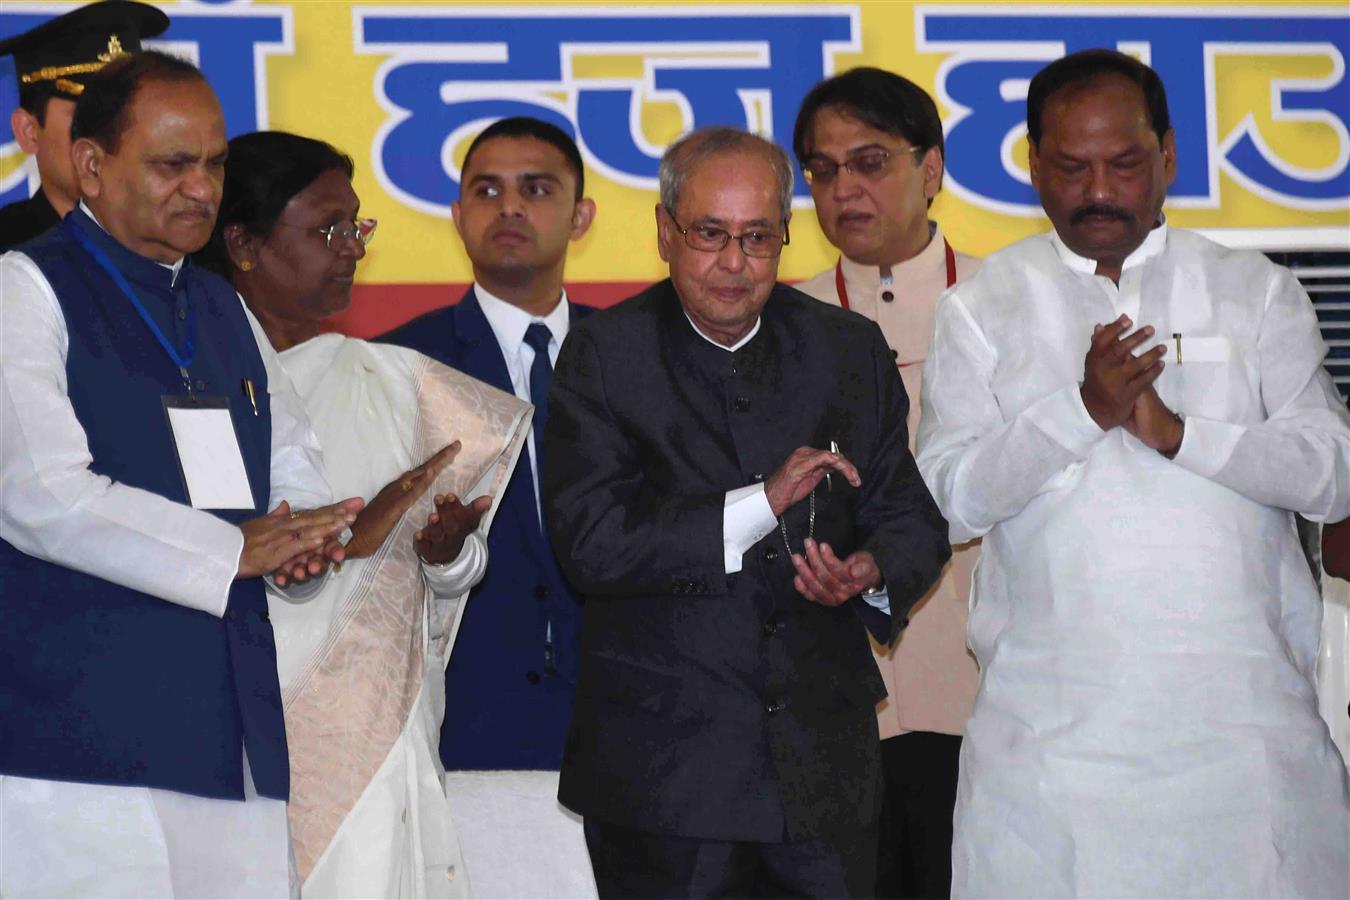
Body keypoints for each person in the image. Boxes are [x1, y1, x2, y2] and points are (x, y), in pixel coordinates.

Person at [916, 48, 1350, 897]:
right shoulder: (982, 308)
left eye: (1123, 164)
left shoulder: (1253, 292)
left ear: (1169, 159)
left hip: (1247, 746)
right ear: (1033, 166)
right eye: (1071, 167)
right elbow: (948, 504)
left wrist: (1183, 434)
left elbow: (1333, 474)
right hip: (1052, 760)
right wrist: (1079, 412)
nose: (1099, 191)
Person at [544, 125, 951, 898]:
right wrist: (758, 504)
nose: (734, 263)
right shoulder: (604, 354)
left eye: (758, 238)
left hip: (822, 776)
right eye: (710, 235)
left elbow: (910, 518)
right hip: (666, 776)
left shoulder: (847, 350)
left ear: (784, 241)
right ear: (665, 234)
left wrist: (869, 571)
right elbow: (591, 544)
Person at [0, 52, 362, 897]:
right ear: (91, 165)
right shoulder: (25, 288)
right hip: (74, 745)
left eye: (215, 163)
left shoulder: (219, 302)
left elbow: (290, 462)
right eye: (173, 164)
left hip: (233, 735)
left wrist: (304, 539)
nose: (203, 189)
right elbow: (36, 492)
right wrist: (235, 550)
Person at [199, 130, 532, 898]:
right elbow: (187, 553)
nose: (352, 247)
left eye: (357, 226)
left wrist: (447, 554)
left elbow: (454, 576)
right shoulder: (196, 390)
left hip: (378, 734)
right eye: (328, 229)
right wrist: (340, 541)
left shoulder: (401, 384)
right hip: (242, 730)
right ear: (243, 244)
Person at [380, 115, 598, 896]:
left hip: (629, 738)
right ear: (458, 213)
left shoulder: (638, 356)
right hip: (465, 732)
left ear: (580, 215)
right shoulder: (401, 364)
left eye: (536, 189)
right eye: (487, 190)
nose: (510, 207)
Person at [792, 67, 979, 899]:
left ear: (931, 170)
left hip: (987, 698)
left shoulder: (1013, 302)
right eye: (823, 170)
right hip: (836, 715)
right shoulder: (780, 323)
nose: (845, 189)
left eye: (870, 162)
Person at [0, 0, 168, 250]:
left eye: (125, 115)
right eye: (89, 115)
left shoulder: (176, 242)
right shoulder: (9, 256)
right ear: (29, 131)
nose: (113, 134)